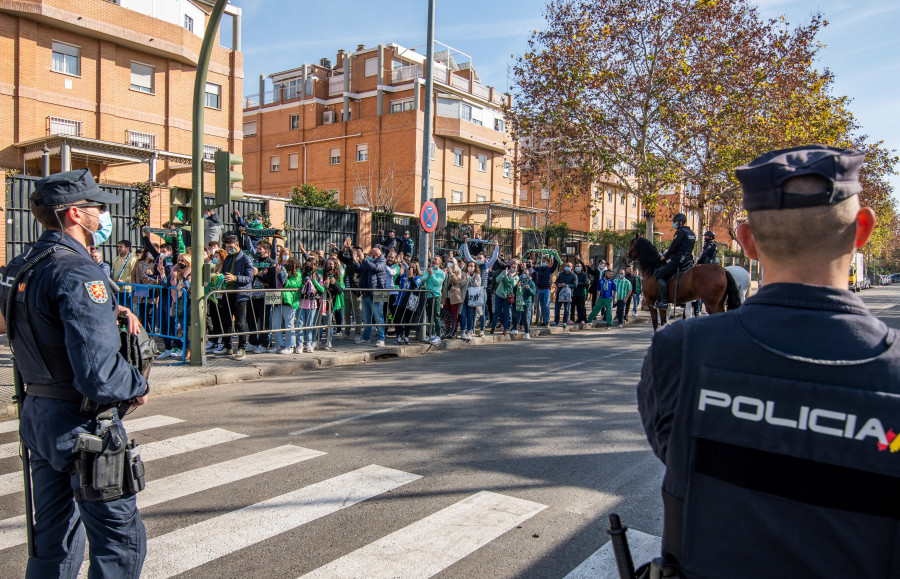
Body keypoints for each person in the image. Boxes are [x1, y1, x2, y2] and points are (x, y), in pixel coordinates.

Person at [637, 145, 899, 578]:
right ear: (862, 230)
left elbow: (675, 454)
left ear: (746, 240)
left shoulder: (676, 349)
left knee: (663, 279)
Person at [0, 168, 148, 577]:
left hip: (39, 414)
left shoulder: (22, 264)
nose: (102, 215)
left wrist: (107, 311)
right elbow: (99, 375)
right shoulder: (79, 271)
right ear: (74, 215)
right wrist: (137, 384)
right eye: (97, 208)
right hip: (83, 425)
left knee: (53, 542)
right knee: (119, 543)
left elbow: (36, 322)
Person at [219, 234, 254, 359]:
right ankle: (228, 347)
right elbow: (224, 273)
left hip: (241, 294)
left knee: (240, 322)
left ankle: (242, 348)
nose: (228, 249)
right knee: (226, 321)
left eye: (231, 247)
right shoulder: (228, 258)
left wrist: (235, 278)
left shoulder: (246, 259)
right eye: (227, 247)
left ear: (237, 245)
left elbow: (250, 278)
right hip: (227, 293)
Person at [654, 213, 696, 308]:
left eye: (675, 222)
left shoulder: (680, 232)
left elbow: (674, 247)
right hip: (688, 260)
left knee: (659, 275)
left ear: (681, 222)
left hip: (678, 260)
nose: (674, 224)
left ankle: (664, 302)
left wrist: (665, 256)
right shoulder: (692, 233)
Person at [356, 246, 389, 347]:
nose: (369, 256)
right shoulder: (368, 262)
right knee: (366, 318)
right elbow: (359, 269)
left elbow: (375, 268)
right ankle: (366, 338)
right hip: (366, 294)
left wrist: (364, 260)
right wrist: (356, 261)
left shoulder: (382, 261)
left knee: (378, 317)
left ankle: (381, 339)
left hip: (376, 294)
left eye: (370, 254)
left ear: (376, 255)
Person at [421, 255, 447, 344]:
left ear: (439, 263)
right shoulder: (428, 271)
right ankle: (432, 334)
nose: (433, 260)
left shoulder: (441, 273)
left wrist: (431, 274)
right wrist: (428, 275)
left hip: (435, 296)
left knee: (436, 316)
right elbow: (422, 279)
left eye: (436, 259)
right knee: (430, 316)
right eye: (433, 259)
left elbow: (437, 283)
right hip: (428, 295)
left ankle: (438, 336)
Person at [692, 231, 718, 317]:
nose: (705, 238)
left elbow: (705, 254)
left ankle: (698, 310)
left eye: (706, 236)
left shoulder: (710, 245)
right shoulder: (712, 244)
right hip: (710, 264)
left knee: (700, 287)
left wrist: (698, 262)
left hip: (707, 264)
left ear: (710, 237)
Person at [532, 254, 558, 325]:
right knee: (542, 305)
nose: (543, 263)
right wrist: (535, 257)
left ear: (547, 263)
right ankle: (544, 321)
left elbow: (555, 265)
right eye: (542, 261)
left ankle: (547, 320)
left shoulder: (549, 269)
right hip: (540, 289)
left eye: (544, 261)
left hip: (547, 289)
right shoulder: (539, 269)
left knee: (546, 305)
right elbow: (533, 266)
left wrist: (555, 256)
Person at [459, 260, 482, 341]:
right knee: (463, 315)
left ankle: (469, 332)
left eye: (472, 266)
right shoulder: (463, 274)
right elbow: (460, 284)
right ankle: (462, 332)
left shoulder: (478, 275)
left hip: (472, 298)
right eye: (469, 265)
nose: (470, 267)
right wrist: (466, 279)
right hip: (464, 297)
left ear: (475, 267)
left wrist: (473, 280)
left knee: (470, 315)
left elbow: (478, 286)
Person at [511, 264, 536, 339]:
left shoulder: (531, 282)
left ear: (528, 275)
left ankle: (527, 332)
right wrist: (516, 286)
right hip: (518, 301)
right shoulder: (519, 280)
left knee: (525, 318)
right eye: (524, 273)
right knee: (515, 316)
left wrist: (529, 289)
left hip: (526, 302)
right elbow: (514, 289)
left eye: (526, 273)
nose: (524, 274)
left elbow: (533, 293)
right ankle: (515, 328)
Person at [553, 262, 577, 326]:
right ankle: (556, 321)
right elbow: (556, 281)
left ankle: (564, 322)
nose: (567, 267)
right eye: (566, 265)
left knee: (566, 308)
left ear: (571, 267)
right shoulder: (560, 274)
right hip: (560, 293)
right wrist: (558, 284)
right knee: (557, 308)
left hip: (568, 294)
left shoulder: (573, 275)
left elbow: (575, 284)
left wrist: (566, 285)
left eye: (569, 266)